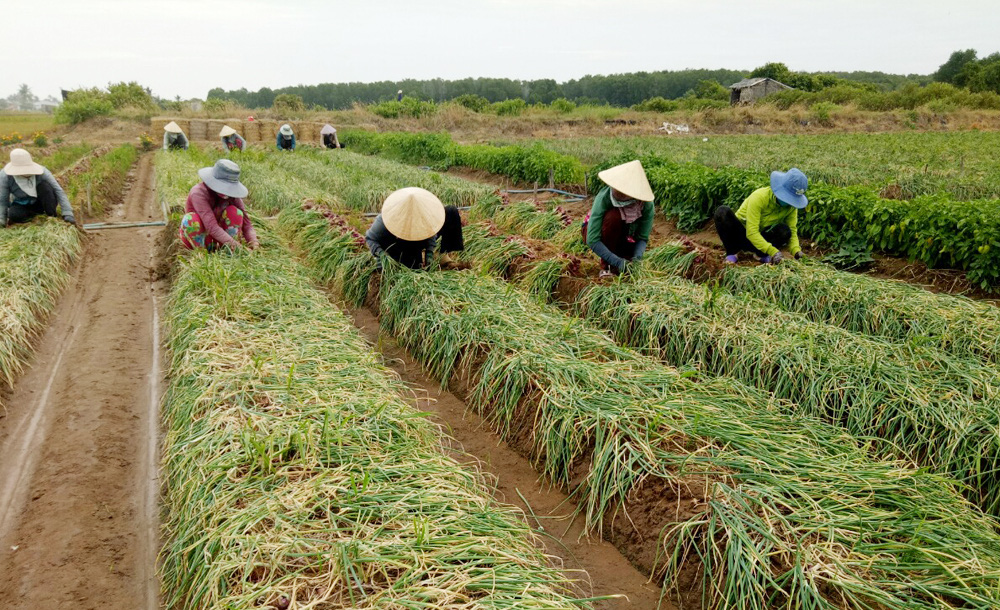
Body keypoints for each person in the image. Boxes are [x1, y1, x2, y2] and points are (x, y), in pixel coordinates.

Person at [713, 168, 808, 264]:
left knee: (785, 231)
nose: (790, 202)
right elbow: (751, 232)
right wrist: (773, 251)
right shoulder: (760, 197)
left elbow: (792, 229)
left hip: (760, 238)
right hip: (741, 235)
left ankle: (760, 254)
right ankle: (732, 252)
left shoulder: (791, 207)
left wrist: (796, 251)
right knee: (722, 212)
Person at [582, 160, 655, 277]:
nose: (618, 195)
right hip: (600, 231)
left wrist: (637, 259)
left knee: (629, 259)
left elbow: (642, 237)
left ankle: (620, 259)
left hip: (626, 234)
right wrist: (616, 261)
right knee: (613, 217)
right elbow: (593, 239)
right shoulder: (604, 198)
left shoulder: (646, 205)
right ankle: (607, 266)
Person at [365, 187, 464, 270]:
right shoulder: (384, 221)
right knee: (408, 267)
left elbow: (430, 232)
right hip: (394, 246)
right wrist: (382, 255)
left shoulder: (423, 216)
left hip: (416, 242)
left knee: (451, 212)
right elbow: (370, 238)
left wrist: (429, 252)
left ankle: (442, 257)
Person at [179, 159, 259, 251]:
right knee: (191, 219)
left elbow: (246, 222)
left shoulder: (232, 195)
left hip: (221, 240)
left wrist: (253, 241)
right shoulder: (198, 193)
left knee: (235, 212)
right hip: (200, 238)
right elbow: (211, 226)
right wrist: (239, 247)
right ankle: (200, 254)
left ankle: (229, 251)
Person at [0, 149, 76, 227]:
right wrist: (2, 219)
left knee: (45, 187)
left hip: (41, 201)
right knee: (14, 215)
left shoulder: (42, 171)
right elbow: (3, 199)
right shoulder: (5, 176)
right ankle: (32, 216)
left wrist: (67, 212)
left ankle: (51, 215)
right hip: (21, 203)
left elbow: (58, 190)